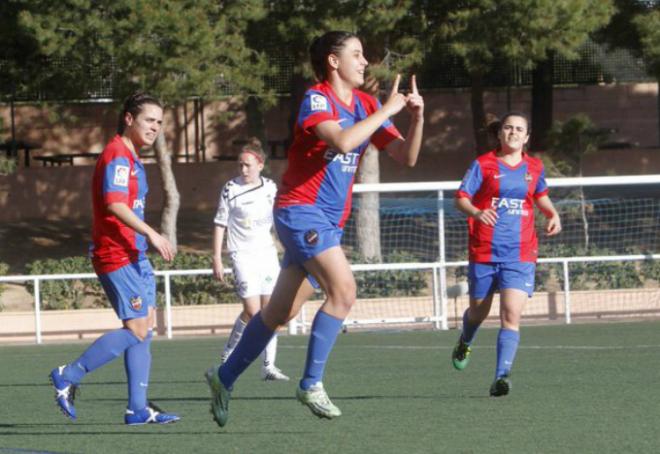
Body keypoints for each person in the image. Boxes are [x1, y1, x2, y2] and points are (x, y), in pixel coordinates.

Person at [205, 30, 424, 427]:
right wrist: (387, 111)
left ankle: (223, 377)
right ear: (333, 61)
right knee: (344, 291)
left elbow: (406, 157)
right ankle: (310, 383)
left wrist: (416, 117)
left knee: (278, 313)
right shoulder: (317, 98)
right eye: (357, 55)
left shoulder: (367, 103)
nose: (365, 62)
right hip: (299, 211)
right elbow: (341, 141)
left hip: (327, 222)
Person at [49, 92, 180, 424]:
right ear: (129, 119)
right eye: (150, 120)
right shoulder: (118, 156)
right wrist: (152, 233)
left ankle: (137, 408)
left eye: (160, 122)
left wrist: (144, 241)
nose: (155, 127)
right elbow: (114, 204)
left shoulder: (132, 157)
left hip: (135, 254)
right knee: (137, 328)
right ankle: (69, 374)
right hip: (115, 254)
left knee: (145, 327)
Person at [451, 111, 562, 396]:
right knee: (478, 311)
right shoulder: (483, 165)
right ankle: (465, 339)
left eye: (519, 129)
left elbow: (540, 195)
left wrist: (551, 212)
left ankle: (501, 376)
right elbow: (461, 198)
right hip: (485, 249)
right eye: (508, 128)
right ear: (500, 134)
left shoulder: (535, 167)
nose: (513, 132)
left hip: (521, 252)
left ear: (527, 137)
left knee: (511, 314)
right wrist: (477, 211)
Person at [212, 138, 289, 381]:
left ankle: (269, 366)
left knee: (271, 312)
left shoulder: (270, 188)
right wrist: (216, 257)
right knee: (252, 310)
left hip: (266, 253)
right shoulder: (230, 189)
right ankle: (228, 353)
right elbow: (220, 224)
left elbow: (279, 219)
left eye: (247, 165)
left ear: (260, 164)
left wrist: (287, 244)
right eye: (240, 165)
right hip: (242, 255)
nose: (243, 170)